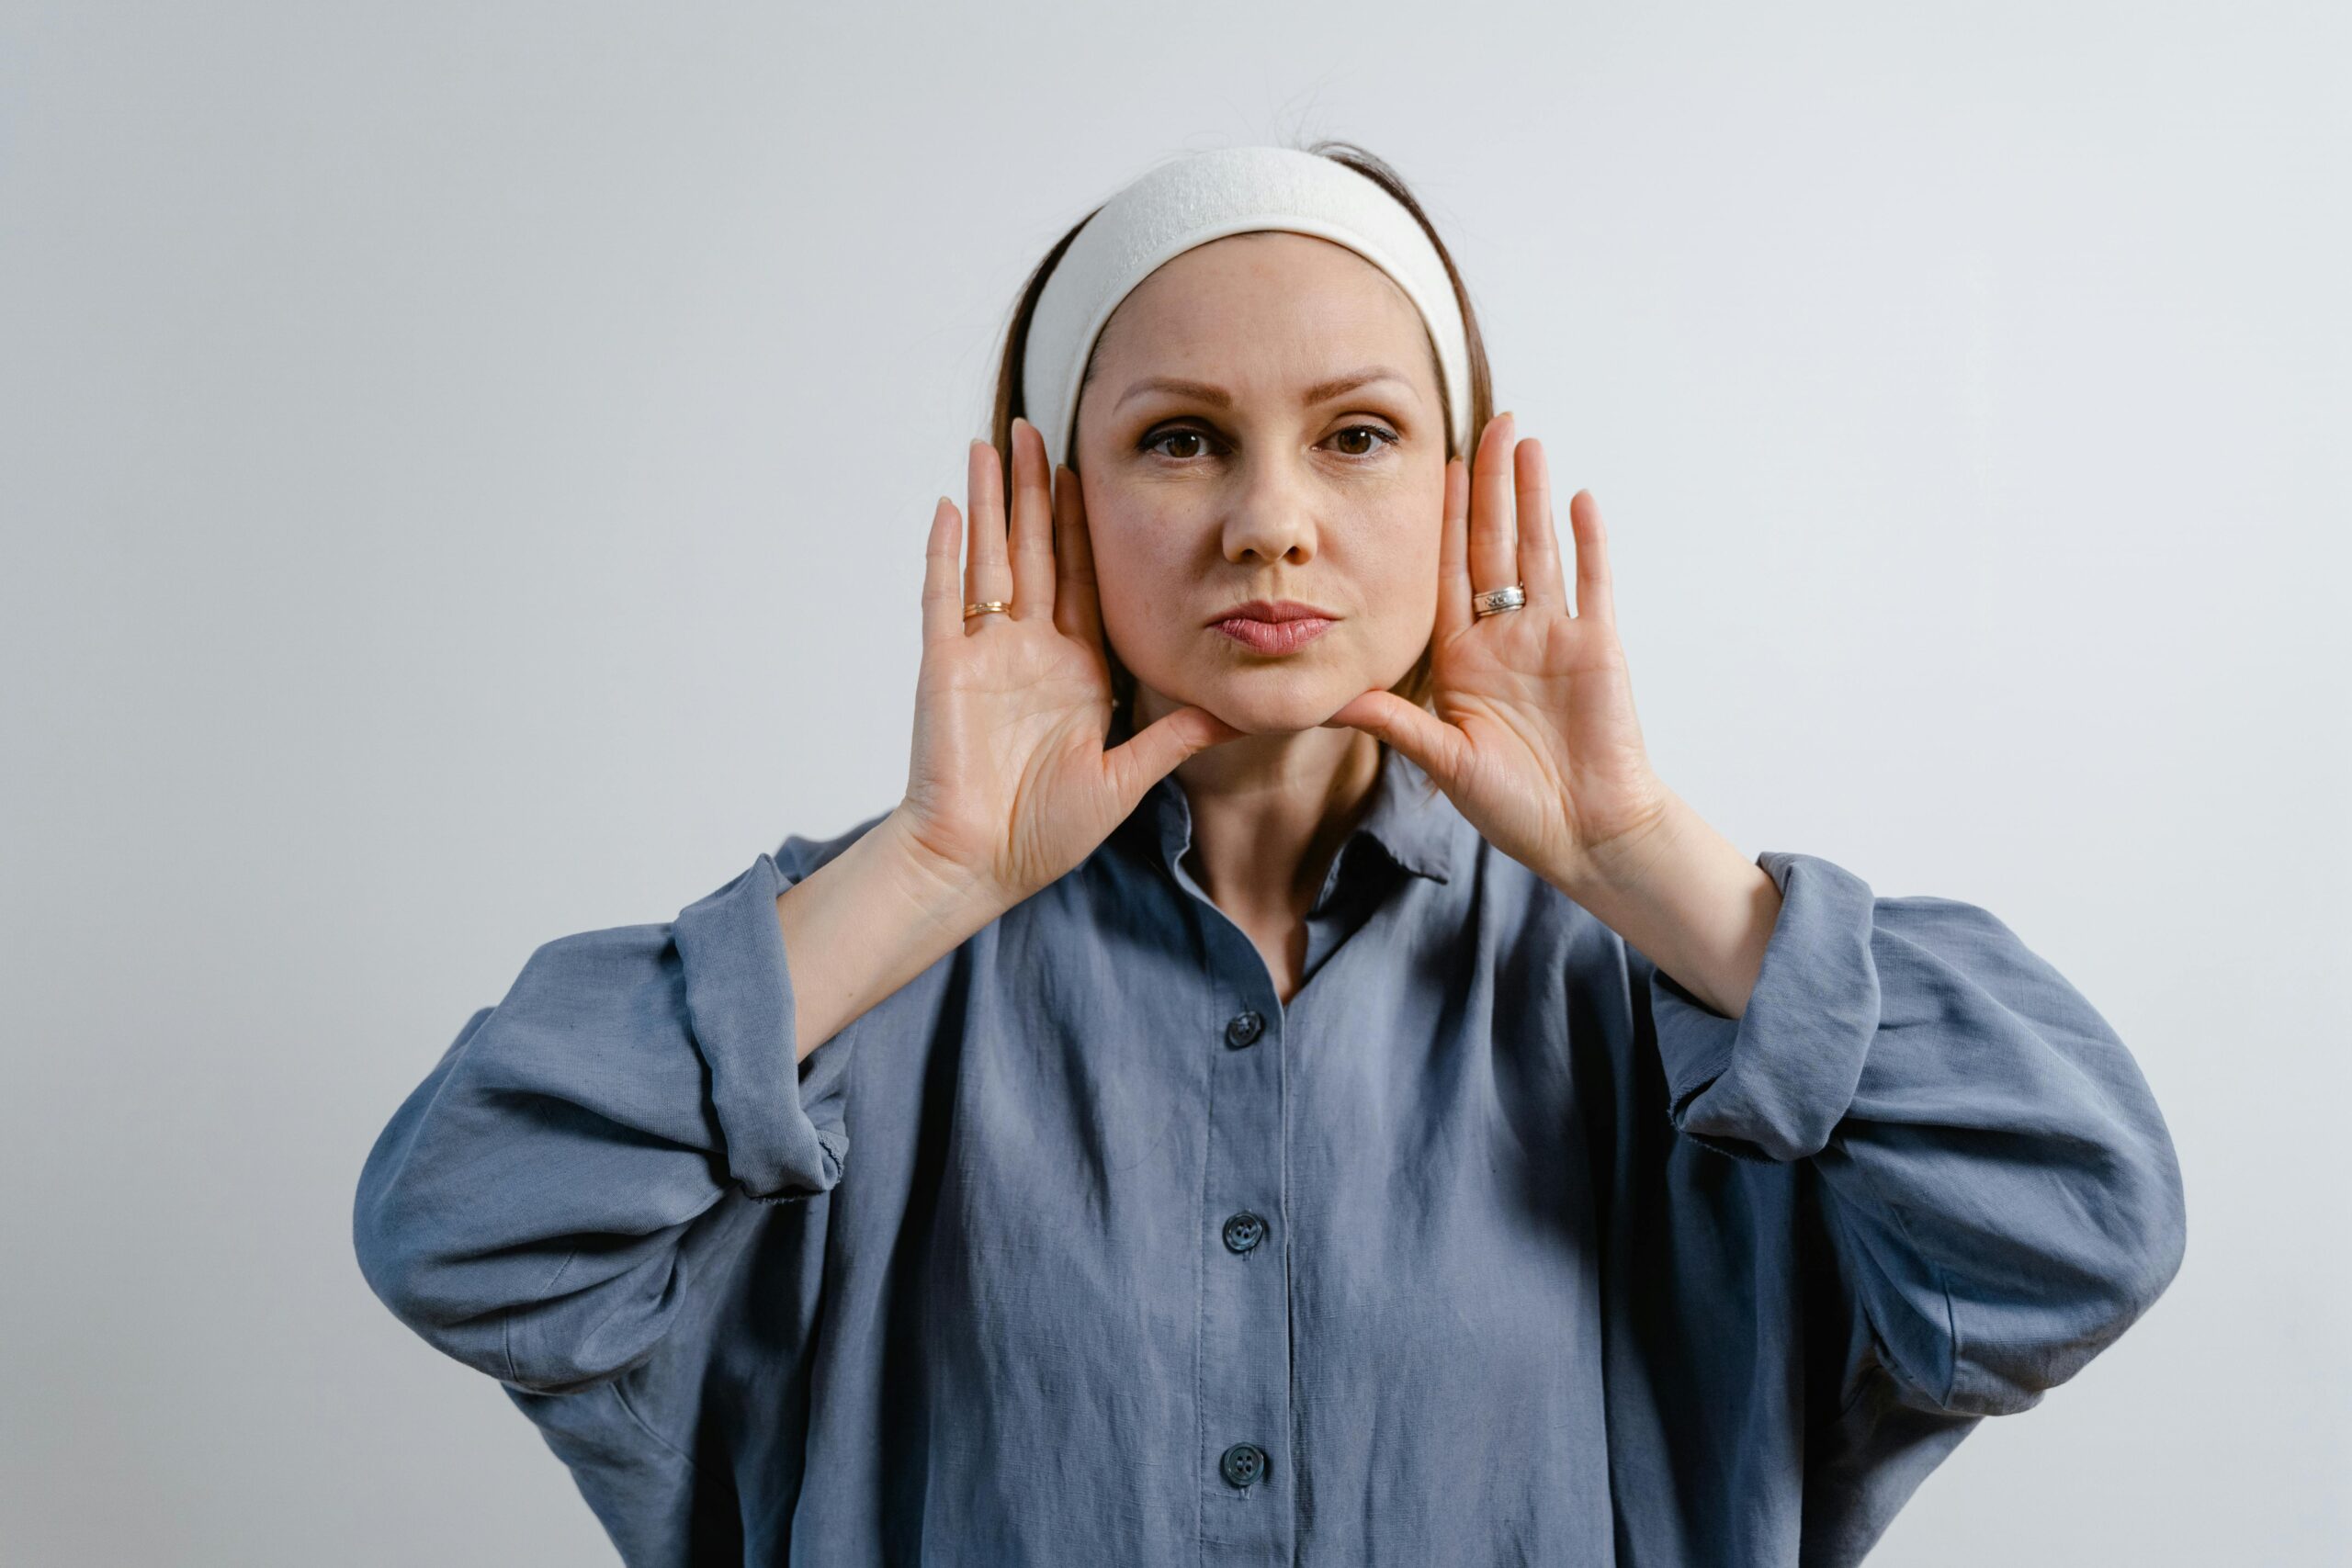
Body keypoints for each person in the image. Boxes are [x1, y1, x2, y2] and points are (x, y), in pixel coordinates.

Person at [353, 142, 2188, 1567]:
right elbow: (465, 1228)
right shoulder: (857, 971)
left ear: (1460, 485)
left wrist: (1638, 854)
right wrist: (920, 869)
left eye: (1359, 434)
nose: (1268, 522)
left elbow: (2074, 1226)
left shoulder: (1655, 985)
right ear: (1049, 502)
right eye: (1177, 440)